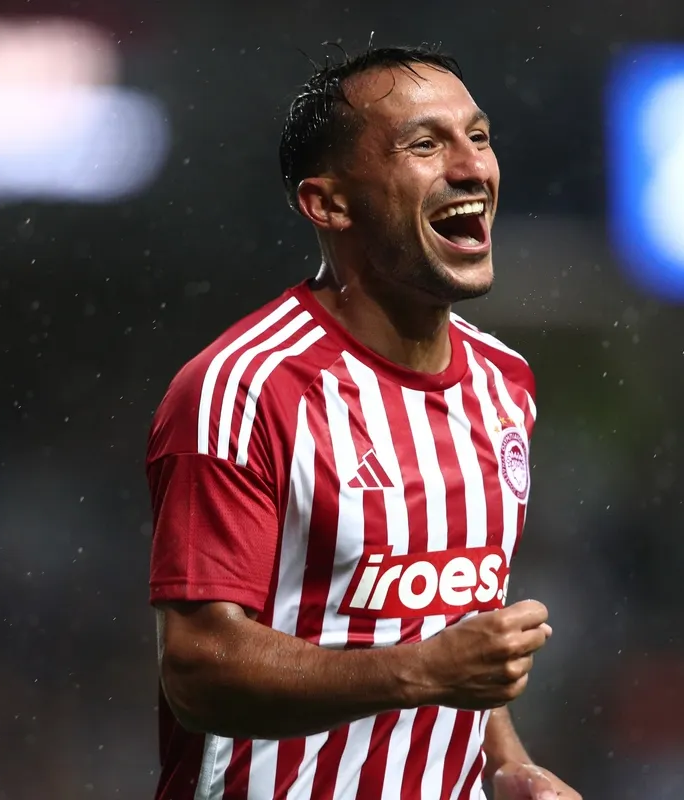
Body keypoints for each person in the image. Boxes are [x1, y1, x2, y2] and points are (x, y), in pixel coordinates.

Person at [146, 44, 580, 800]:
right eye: (425, 145)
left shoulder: (504, 383)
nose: (472, 166)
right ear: (329, 204)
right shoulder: (243, 389)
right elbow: (197, 669)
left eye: (478, 137)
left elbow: (452, 625)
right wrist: (422, 671)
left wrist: (507, 764)